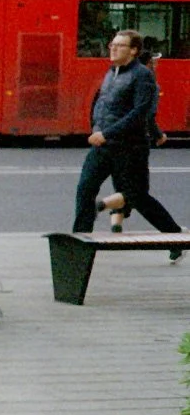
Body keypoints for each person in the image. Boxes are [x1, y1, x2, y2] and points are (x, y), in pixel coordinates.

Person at [75, 29, 181, 256]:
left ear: (133, 51)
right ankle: (79, 244)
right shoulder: (111, 72)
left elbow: (140, 112)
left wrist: (107, 133)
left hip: (130, 148)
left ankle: (175, 237)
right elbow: (102, 104)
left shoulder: (142, 75)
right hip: (104, 147)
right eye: (112, 44)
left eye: (119, 45)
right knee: (85, 189)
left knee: (138, 197)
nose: (112, 48)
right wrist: (95, 127)